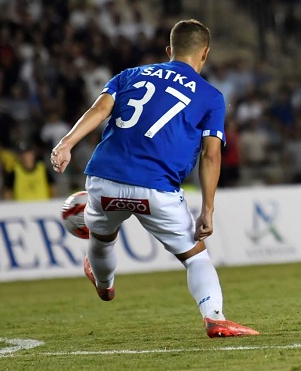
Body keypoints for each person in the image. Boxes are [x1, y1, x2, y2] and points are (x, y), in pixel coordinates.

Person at [50, 19, 259, 338]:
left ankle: (105, 284)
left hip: (104, 179)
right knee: (195, 256)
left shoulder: (129, 75)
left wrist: (67, 143)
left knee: (102, 239)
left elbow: (99, 110)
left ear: (169, 50)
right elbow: (210, 155)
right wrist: (207, 210)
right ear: (205, 53)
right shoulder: (211, 96)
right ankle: (214, 317)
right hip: (156, 188)